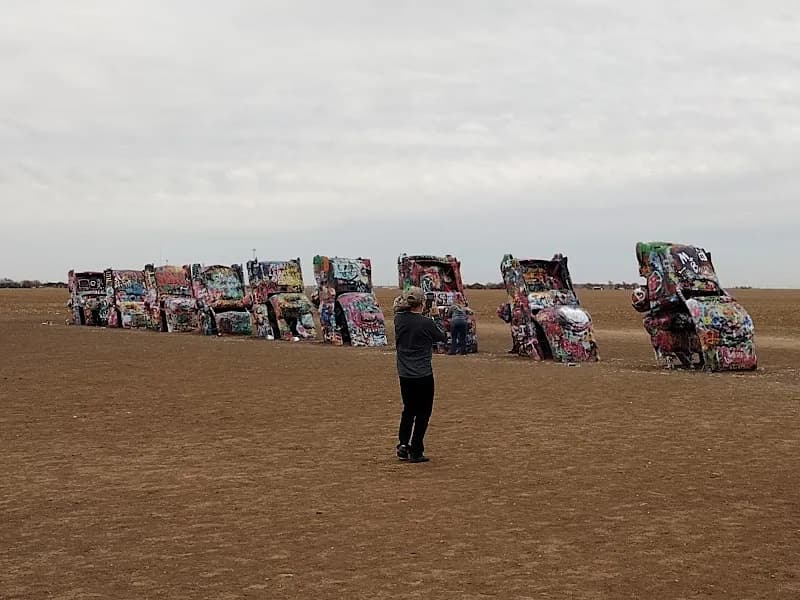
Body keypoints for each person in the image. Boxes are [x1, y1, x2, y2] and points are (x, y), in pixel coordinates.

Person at [393, 286, 447, 463]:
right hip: (423, 374)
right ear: (422, 302)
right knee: (423, 413)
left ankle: (402, 444)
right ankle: (416, 449)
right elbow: (441, 336)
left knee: (409, 410)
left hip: (404, 374)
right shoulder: (426, 322)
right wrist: (436, 315)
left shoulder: (399, 319)